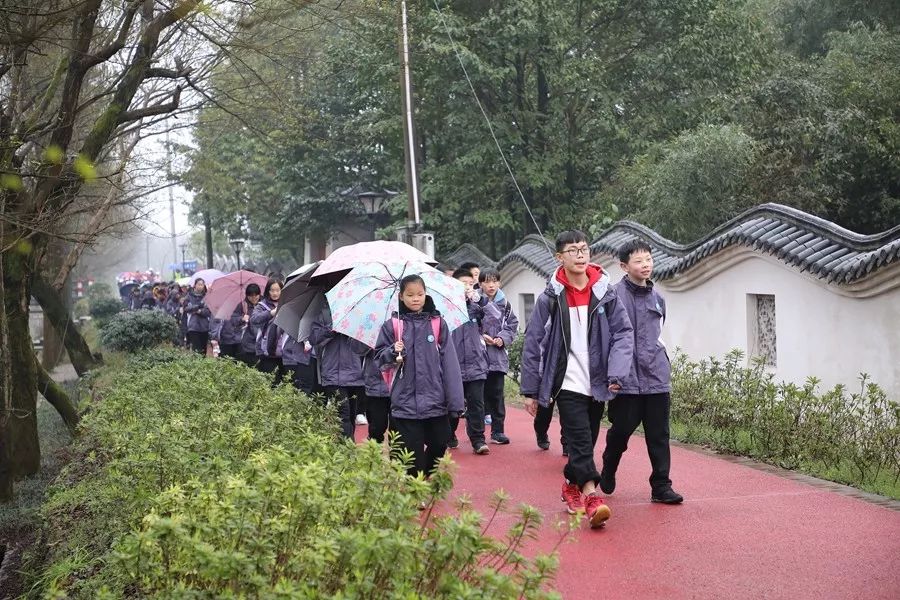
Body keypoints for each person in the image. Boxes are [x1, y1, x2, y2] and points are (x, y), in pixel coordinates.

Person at [520, 230, 634, 529]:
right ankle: (592, 498)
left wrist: (617, 371)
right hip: (566, 382)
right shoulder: (551, 297)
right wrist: (531, 390)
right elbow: (533, 342)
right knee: (580, 442)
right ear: (560, 257)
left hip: (597, 382)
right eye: (573, 250)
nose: (580, 255)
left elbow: (624, 333)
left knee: (588, 439)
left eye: (584, 249)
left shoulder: (605, 293)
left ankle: (571, 484)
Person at [599, 240, 684, 504]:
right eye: (638, 261)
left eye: (648, 259)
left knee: (659, 434)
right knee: (622, 429)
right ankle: (609, 464)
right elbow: (605, 338)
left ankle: (661, 485)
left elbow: (660, 334)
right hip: (625, 379)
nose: (645, 265)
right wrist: (611, 374)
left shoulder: (658, 298)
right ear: (624, 266)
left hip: (656, 376)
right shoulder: (612, 296)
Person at [374, 274, 464, 477]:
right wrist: (392, 351)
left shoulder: (438, 324)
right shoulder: (393, 326)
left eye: (420, 294)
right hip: (405, 402)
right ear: (401, 296)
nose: (416, 298)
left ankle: (424, 478)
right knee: (409, 452)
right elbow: (379, 360)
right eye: (410, 294)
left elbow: (450, 363)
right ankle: (416, 487)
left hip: (435, 400)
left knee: (440, 443)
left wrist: (456, 401)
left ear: (426, 294)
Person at [449, 268, 490, 455]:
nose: (466, 286)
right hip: (453, 365)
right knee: (453, 405)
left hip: (475, 363)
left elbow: (496, 317)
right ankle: (449, 433)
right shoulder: (445, 308)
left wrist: (479, 300)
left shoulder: (477, 306)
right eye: (462, 283)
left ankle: (478, 439)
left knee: (477, 404)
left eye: (469, 283)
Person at [309, 308, 366, 439]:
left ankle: (345, 446)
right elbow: (313, 338)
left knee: (351, 414)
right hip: (332, 372)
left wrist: (351, 329)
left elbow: (366, 346)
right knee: (343, 412)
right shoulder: (323, 315)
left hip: (355, 372)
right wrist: (332, 329)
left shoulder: (360, 314)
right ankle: (348, 449)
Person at [477, 268, 518, 444]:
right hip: (477, 355)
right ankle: (477, 433)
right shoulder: (474, 302)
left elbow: (512, 324)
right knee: (477, 396)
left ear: (499, 283)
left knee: (497, 394)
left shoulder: (505, 304)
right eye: (487, 281)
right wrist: (480, 337)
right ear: (480, 284)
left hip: (498, 356)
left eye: (494, 281)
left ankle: (498, 431)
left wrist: (502, 338)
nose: (491, 285)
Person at [350, 339, 391, 444]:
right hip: (375, 384)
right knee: (376, 428)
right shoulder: (369, 325)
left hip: (400, 385)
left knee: (399, 433)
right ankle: (373, 455)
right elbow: (357, 349)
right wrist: (371, 339)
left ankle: (398, 459)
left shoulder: (403, 325)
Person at [250, 279, 288, 386]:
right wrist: (270, 313)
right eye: (272, 290)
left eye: (278, 290)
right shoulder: (262, 305)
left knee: (284, 384)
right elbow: (254, 319)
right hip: (266, 351)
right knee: (268, 383)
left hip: (285, 352)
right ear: (267, 291)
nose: (275, 293)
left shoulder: (287, 303)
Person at [184, 278, 212, 355]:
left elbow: (208, 312)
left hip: (204, 327)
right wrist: (198, 306)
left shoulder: (206, 297)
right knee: (196, 350)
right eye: (199, 284)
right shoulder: (189, 296)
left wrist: (199, 311)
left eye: (202, 284)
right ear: (195, 285)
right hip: (193, 327)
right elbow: (186, 308)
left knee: (203, 350)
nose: (200, 286)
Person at [238, 283, 262, 366]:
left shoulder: (264, 306)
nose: (254, 298)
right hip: (247, 344)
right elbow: (233, 320)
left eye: (256, 295)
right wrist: (242, 319)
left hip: (261, 343)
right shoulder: (243, 306)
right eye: (251, 296)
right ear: (247, 296)